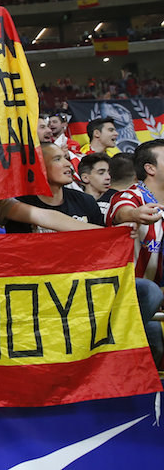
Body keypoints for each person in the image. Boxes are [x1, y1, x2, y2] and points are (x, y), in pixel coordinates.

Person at [105, 139, 164, 365]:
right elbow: (122, 212)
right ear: (150, 168)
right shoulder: (131, 197)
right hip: (131, 297)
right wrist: (134, 215)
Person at [6, 144, 104, 233]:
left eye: (65, 158)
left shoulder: (86, 201)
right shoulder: (20, 204)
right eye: (57, 159)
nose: (68, 164)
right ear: (39, 167)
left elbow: (103, 241)